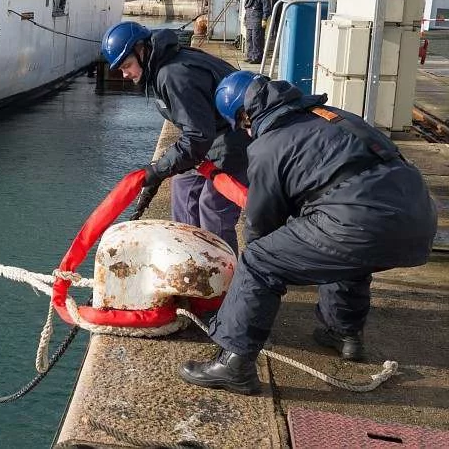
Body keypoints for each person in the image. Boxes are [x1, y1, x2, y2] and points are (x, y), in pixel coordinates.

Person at [179, 72, 437, 395]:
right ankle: (344, 333)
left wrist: (249, 292)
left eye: (241, 126)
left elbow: (261, 227)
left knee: (260, 259)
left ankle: (234, 363)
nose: (245, 132)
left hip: (360, 221)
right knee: (342, 249)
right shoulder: (332, 116)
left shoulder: (268, 145)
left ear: (246, 116)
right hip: (419, 217)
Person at [101, 22, 250, 251]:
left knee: (212, 206)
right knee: (183, 186)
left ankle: (224, 276)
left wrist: (158, 170)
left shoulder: (173, 74)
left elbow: (197, 136)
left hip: (239, 134)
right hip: (215, 135)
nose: (125, 74)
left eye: (127, 65)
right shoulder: (164, 64)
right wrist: (163, 170)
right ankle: (191, 256)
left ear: (142, 51)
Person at [243, 0, 271, 64]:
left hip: (257, 20)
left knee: (257, 40)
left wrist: (264, 19)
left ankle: (257, 58)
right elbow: (247, 8)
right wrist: (245, 19)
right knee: (249, 39)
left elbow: (266, 7)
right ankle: (250, 56)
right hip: (250, 19)